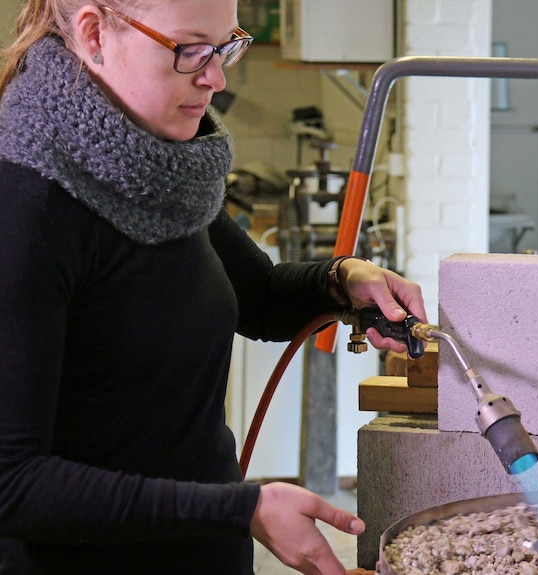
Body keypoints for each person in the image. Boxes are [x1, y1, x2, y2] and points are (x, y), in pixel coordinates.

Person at [0, 0, 425, 573]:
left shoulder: (157, 166)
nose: (216, 77)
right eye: (188, 50)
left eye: (225, 45)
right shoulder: (25, 203)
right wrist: (240, 507)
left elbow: (260, 298)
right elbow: (13, 484)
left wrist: (343, 279)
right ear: (95, 32)